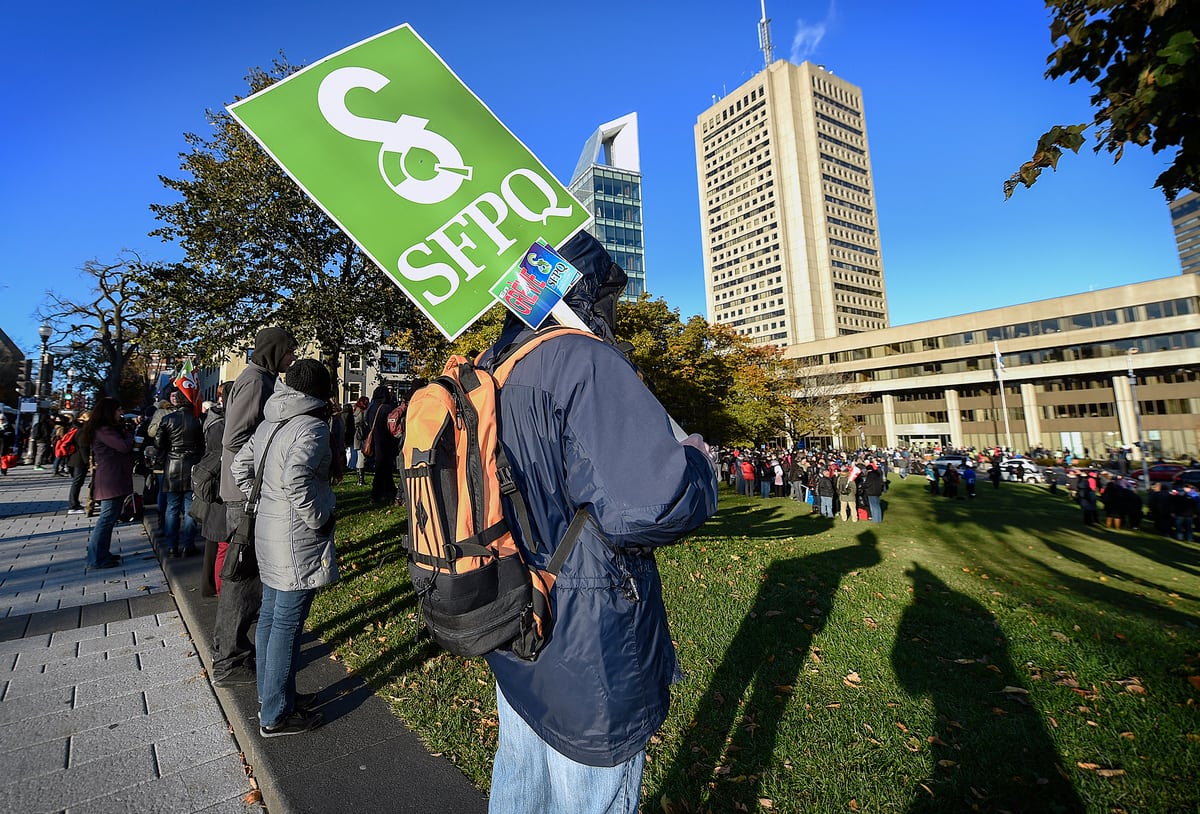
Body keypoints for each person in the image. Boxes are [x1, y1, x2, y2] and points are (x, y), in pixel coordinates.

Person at [474, 232, 717, 814]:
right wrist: (699, 469)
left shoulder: (494, 364)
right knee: (591, 792)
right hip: (588, 629)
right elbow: (647, 506)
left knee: (521, 771)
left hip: (515, 601)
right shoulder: (583, 360)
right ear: (588, 291)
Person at [232, 359, 337, 737]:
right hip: (296, 538)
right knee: (286, 624)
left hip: (268, 531)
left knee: (273, 618)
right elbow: (297, 478)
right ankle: (275, 715)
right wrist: (319, 517)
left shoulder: (268, 423)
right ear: (319, 393)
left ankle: (275, 697)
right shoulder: (313, 426)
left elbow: (239, 468)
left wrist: (264, 502)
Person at [213, 326, 299, 688]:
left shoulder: (256, 377)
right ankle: (229, 659)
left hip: (244, 489)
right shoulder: (254, 381)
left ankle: (232, 648)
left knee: (246, 575)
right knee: (243, 577)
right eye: (290, 351)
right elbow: (235, 436)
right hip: (243, 493)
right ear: (274, 351)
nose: (293, 357)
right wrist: (272, 446)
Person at [80, 397, 133, 569]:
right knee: (106, 518)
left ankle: (102, 553)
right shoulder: (104, 430)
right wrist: (130, 436)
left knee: (109, 518)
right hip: (111, 479)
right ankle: (96, 557)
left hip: (113, 477)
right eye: (118, 410)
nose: (121, 413)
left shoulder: (106, 429)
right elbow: (123, 447)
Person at [192, 382, 232, 597]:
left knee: (216, 542)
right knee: (222, 544)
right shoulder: (221, 424)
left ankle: (212, 586)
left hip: (214, 486)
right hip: (219, 489)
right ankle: (221, 591)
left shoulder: (214, 420)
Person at [155, 388, 205, 557]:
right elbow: (204, 444)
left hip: (173, 466)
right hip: (192, 465)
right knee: (190, 509)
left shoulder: (167, 419)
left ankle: (171, 546)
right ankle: (188, 544)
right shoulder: (198, 420)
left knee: (172, 509)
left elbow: (159, 443)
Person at [364, 385, 398, 505]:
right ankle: (379, 494)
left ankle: (388, 492)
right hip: (385, 441)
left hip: (374, 441)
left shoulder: (371, 408)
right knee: (383, 468)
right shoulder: (386, 408)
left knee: (382, 468)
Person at [65, 411, 91, 514]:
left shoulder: (76, 428)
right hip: (79, 460)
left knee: (77, 482)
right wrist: (87, 462)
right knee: (77, 482)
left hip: (74, 458)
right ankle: (73, 505)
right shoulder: (82, 430)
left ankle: (74, 503)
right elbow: (83, 447)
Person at [350, 396, 369, 485]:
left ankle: (360, 480)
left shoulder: (355, 410)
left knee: (360, 456)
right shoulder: (362, 412)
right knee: (361, 457)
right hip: (361, 436)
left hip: (357, 436)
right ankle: (360, 480)